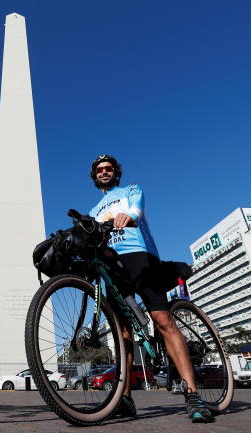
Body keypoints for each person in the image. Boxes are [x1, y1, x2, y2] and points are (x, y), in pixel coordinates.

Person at [88, 155, 213, 423]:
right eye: (100, 170)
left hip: (139, 255)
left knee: (162, 319)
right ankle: (126, 398)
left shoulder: (130, 190)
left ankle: (192, 392)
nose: (104, 172)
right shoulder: (94, 210)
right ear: (95, 176)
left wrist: (128, 215)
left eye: (109, 169)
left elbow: (137, 208)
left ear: (115, 172)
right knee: (123, 332)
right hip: (113, 266)